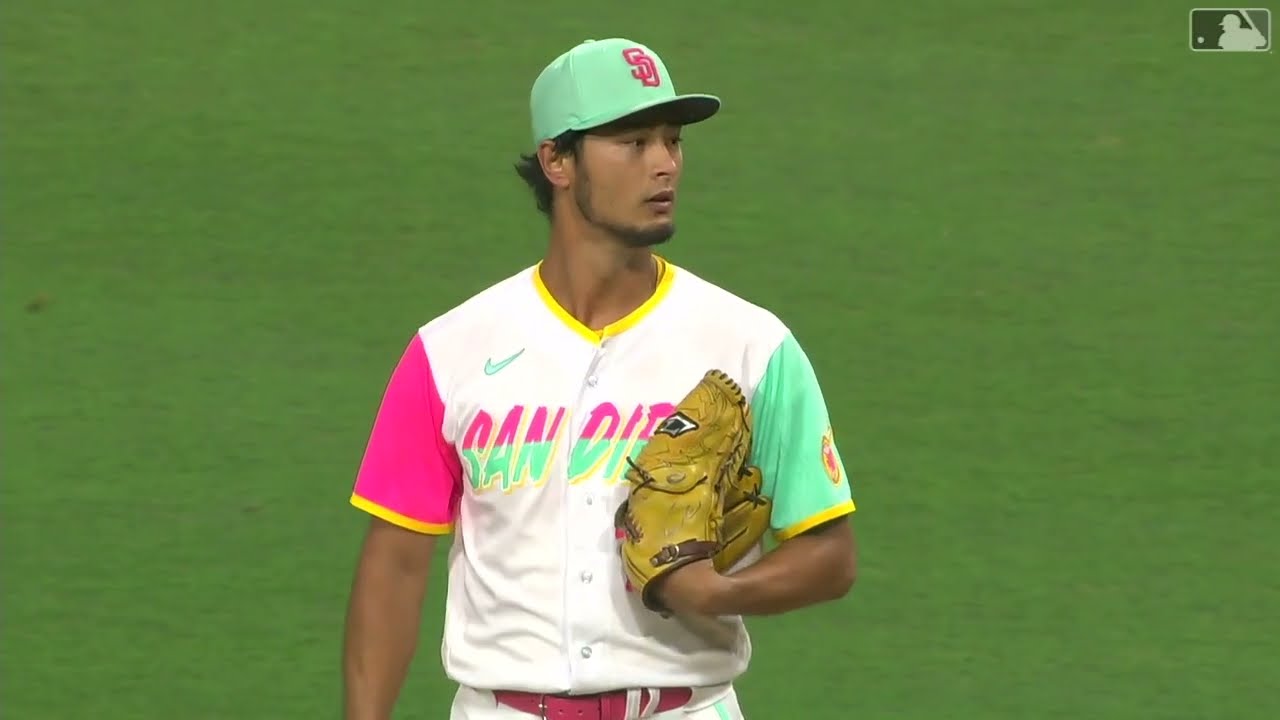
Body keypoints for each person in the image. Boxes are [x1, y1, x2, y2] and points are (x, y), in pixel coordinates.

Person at [341, 37, 859, 720]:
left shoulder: (752, 346)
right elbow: (394, 567)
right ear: (557, 160)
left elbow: (830, 554)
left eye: (672, 141)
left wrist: (718, 592)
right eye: (633, 142)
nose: (664, 164)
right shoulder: (448, 352)